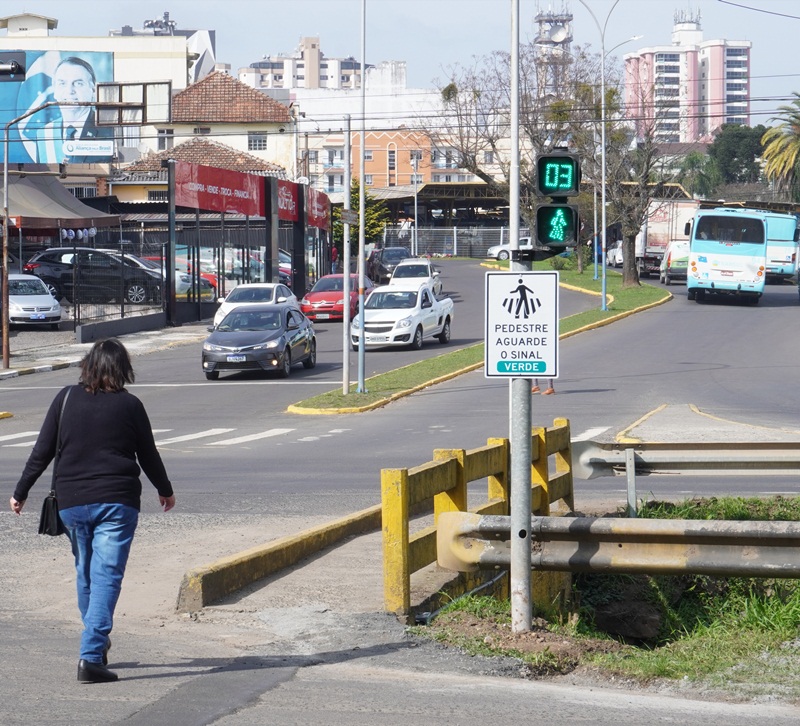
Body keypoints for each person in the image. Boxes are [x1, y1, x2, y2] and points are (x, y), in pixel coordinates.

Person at [10, 339, 175, 684]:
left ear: (89, 364)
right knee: (106, 576)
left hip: (72, 502)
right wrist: (165, 489)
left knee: (86, 573)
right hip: (116, 501)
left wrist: (20, 491)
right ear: (122, 368)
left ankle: (95, 640)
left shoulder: (66, 398)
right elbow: (148, 454)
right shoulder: (130, 405)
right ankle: (90, 655)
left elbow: (42, 451)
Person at [28, 56, 114, 164]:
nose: (69, 91)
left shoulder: (110, 130)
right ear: (55, 90)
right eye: (62, 83)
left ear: (93, 90)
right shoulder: (43, 134)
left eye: (78, 83)